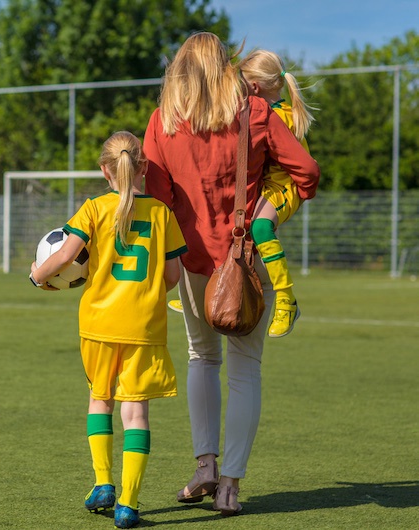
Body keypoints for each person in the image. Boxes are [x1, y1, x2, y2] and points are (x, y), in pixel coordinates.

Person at [143, 32, 320, 516]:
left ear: (178, 70)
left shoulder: (162, 122)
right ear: (225, 67)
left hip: (192, 263)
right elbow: (306, 172)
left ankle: (205, 467)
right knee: (246, 371)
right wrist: (270, 210)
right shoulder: (255, 113)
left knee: (202, 357)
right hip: (248, 263)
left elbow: (157, 203)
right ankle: (231, 486)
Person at [29, 131, 188, 529]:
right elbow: (171, 275)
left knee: (100, 400)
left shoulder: (93, 208)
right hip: (145, 325)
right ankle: (129, 506)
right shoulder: (162, 213)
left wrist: (37, 276)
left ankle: (103, 482)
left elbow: (65, 254)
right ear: (144, 168)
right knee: (136, 414)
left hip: (98, 325)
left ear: (105, 170)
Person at [240, 49, 316, 338]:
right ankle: (214, 288)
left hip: (284, 186)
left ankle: (287, 299)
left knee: (260, 227)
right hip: (265, 185)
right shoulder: (260, 112)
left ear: (254, 87)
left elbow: (302, 167)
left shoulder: (278, 117)